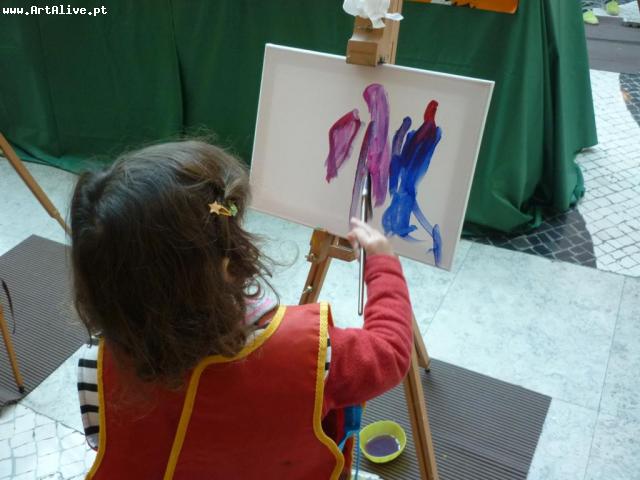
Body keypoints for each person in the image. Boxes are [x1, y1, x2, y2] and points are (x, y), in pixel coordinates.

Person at [72, 140, 414, 479]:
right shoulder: (312, 356)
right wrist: (383, 264)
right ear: (225, 266)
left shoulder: (95, 369)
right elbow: (391, 352)